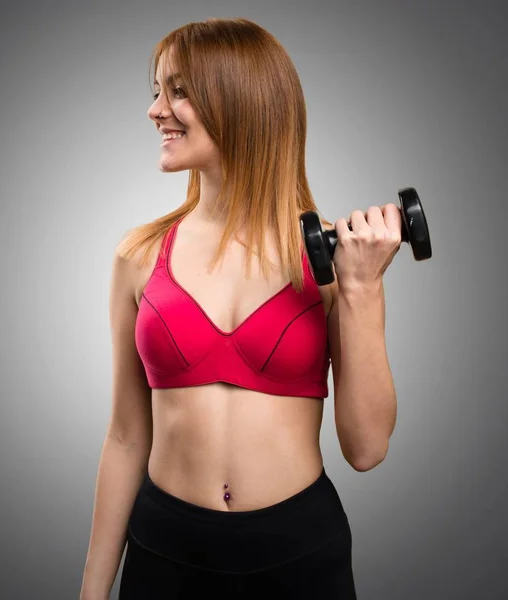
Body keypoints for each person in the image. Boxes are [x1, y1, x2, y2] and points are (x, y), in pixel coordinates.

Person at [80, 17, 402, 600]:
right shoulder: (139, 257)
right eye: (156, 91)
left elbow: (366, 449)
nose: (155, 110)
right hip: (165, 549)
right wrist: (91, 594)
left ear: (240, 101)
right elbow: (127, 438)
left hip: (300, 552)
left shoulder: (335, 259)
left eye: (178, 90)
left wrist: (362, 289)